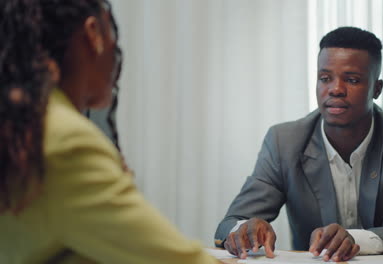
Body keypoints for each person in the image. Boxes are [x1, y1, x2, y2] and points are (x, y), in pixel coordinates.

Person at [0, 1, 219, 263]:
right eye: (113, 34)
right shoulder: (66, 139)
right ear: (94, 34)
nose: (117, 52)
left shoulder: (20, 124)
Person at [215, 27, 383, 262]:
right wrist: (243, 229)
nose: (336, 89)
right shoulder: (284, 141)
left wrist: (353, 240)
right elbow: (232, 222)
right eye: (325, 78)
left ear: (376, 89)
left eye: (352, 80)